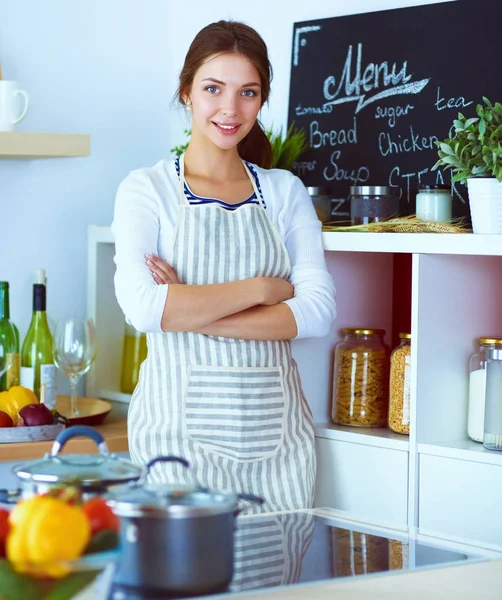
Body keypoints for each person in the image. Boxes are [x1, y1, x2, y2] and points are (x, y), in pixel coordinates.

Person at [112, 19, 336, 512]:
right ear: (186, 91)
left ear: (261, 100)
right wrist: (262, 288)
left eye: (248, 92)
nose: (230, 110)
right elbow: (146, 308)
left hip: (278, 446)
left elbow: (317, 315)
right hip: (175, 446)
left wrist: (192, 310)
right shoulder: (147, 190)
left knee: (276, 588)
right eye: (213, 88)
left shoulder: (283, 192)